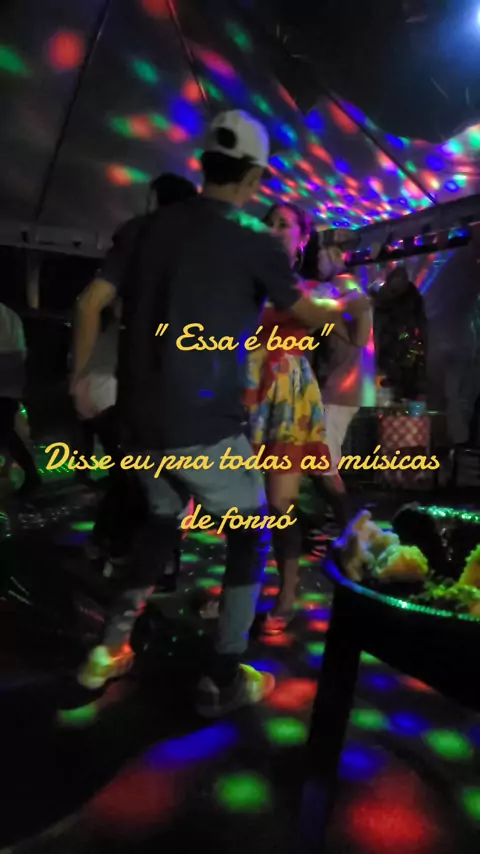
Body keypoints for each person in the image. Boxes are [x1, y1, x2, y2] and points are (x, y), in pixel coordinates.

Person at [68, 109, 368, 718]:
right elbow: (308, 314)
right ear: (254, 176)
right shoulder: (253, 239)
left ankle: (109, 649)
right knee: (251, 532)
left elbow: (90, 302)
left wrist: (77, 380)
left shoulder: (141, 229)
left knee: (161, 522)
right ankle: (224, 675)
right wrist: (348, 306)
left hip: (137, 424)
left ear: (205, 163)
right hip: (203, 427)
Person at [311, 244, 372, 530]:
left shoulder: (341, 288)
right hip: (344, 386)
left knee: (323, 463)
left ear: (335, 258)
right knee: (322, 460)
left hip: (340, 387)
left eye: (321, 258)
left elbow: (360, 337)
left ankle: (348, 528)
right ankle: (340, 523)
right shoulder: (348, 288)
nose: (316, 263)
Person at [0, 301, 41, 498]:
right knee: (6, 429)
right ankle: (27, 473)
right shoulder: (10, 314)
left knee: (6, 431)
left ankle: (31, 475)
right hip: (13, 381)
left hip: (5, 379)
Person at [373, 265, 427, 402]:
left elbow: (419, 320)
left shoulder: (411, 296)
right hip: (391, 342)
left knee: (406, 368)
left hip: (403, 342)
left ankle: (403, 392)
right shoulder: (385, 296)